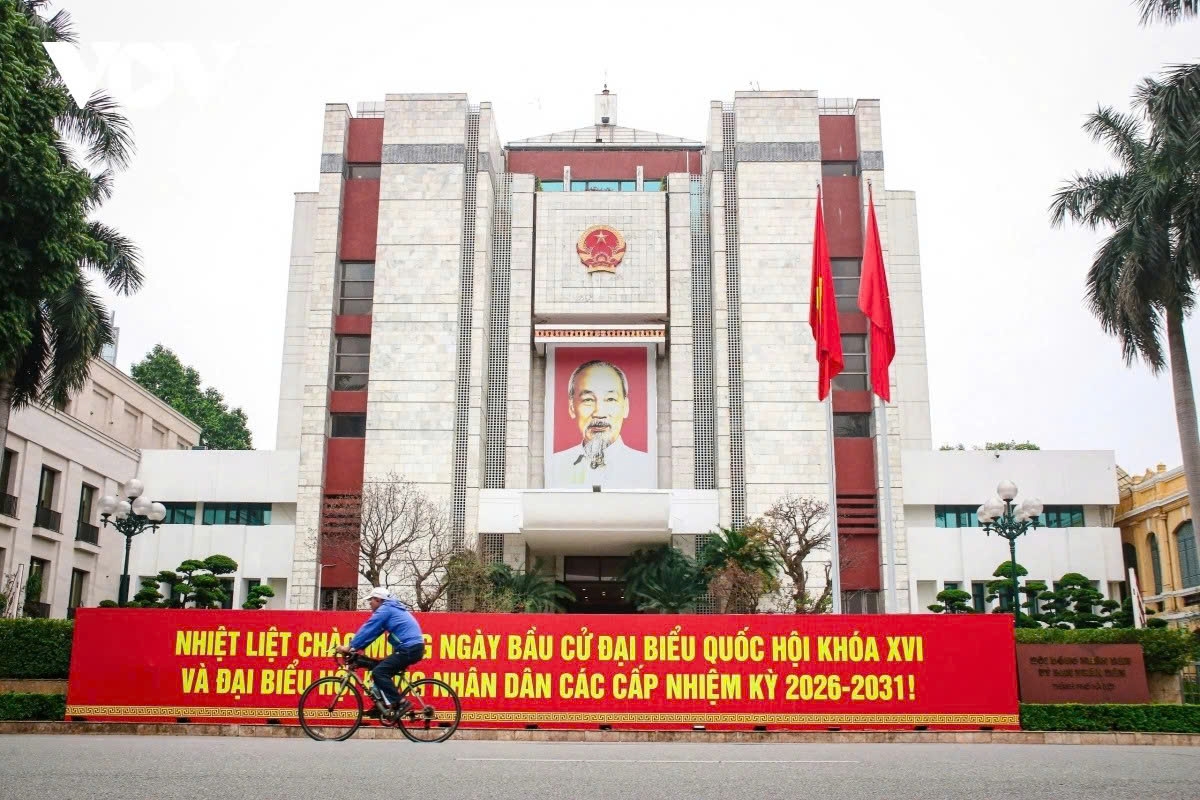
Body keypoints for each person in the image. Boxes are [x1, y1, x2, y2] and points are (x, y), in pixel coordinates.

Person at [548, 359, 655, 489]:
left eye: (610, 399)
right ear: (571, 407)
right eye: (588, 399)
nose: (599, 412)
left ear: (626, 407)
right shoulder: (555, 465)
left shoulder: (646, 466)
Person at [337, 587, 425, 719]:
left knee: (379, 672)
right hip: (411, 648)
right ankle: (382, 705)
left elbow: (368, 628)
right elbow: (373, 634)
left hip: (409, 649)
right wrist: (355, 649)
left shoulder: (385, 609)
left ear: (378, 599)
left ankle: (401, 703)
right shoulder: (390, 609)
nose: (370, 603)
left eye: (371, 600)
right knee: (377, 666)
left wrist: (349, 647)